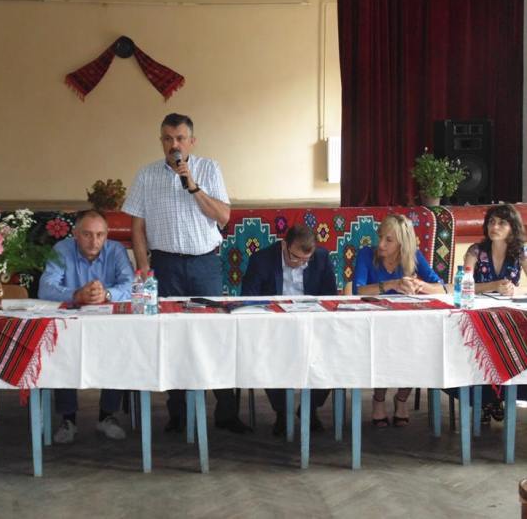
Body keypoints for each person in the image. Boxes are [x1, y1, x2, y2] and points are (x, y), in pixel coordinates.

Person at [122, 112, 250, 434]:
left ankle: (226, 413)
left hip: (204, 264)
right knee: (172, 338)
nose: (174, 145)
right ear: (161, 141)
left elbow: (223, 217)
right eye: (168, 139)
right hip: (165, 265)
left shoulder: (209, 168)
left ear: (192, 141)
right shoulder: (146, 175)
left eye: (180, 138)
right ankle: (178, 414)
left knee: (215, 337)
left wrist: (192, 185)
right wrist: (143, 268)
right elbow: (137, 227)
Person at [38, 209, 133, 443]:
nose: (94, 241)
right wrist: (76, 294)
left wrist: (107, 294)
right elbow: (45, 288)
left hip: (108, 326)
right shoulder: (62, 249)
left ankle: (107, 416)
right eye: (87, 234)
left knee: (118, 350)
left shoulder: (116, 250)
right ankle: (68, 419)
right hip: (71, 326)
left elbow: (131, 285)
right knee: (61, 351)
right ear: (75, 234)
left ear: (107, 235)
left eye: (100, 235)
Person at [241, 224, 337, 434]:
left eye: (305, 260)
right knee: (267, 354)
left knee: (335, 353)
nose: (300, 263)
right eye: (295, 258)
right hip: (274, 328)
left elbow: (331, 298)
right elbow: (248, 297)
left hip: (312, 326)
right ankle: (282, 412)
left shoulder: (321, 258)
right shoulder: (262, 259)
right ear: (284, 245)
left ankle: (310, 409)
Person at [353, 213, 446, 428]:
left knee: (419, 349)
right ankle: (378, 399)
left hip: (407, 323)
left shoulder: (414, 256)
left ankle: (402, 398)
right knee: (382, 350)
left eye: (389, 240)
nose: (381, 244)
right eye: (380, 237)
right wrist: (392, 284)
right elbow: (358, 290)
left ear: (402, 243)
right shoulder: (367, 254)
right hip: (377, 323)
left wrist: (420, 286)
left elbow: (441, 287)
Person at [457, 203, 527, 423]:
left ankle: (501, 395)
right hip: (478, 314)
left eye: (502, 223)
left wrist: (515, 290)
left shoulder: (521, 252)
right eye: (491, 222)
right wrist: (493, 286)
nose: (494, 227)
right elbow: (463, 284)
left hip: (508, 316)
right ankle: (485, 399)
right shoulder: (475, 251)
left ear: (513, 228)